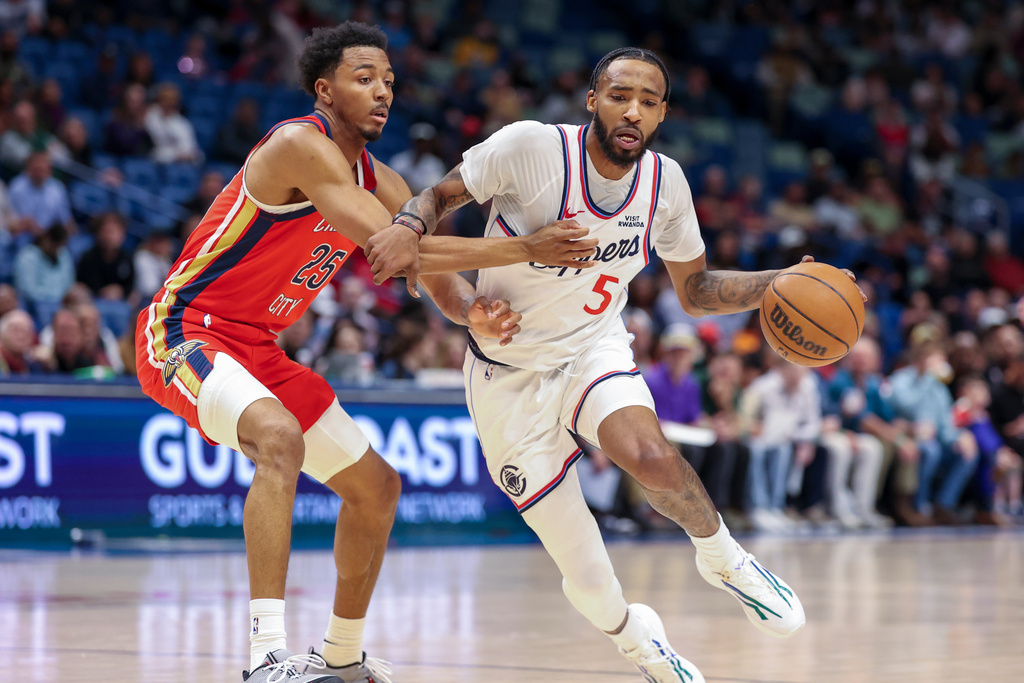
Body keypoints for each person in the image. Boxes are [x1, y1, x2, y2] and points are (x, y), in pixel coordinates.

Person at [135, 21, 597, 683]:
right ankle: (266, 655)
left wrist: (474, 312)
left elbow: (431, 275)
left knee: (377, 487)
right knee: (280, 437)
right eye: (363, 78)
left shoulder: (383, 178)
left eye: (388, 80)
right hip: (184, 329)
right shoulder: (299, 145)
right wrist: (528, 247)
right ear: (324, 89)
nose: (382, 92)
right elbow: (398, 246)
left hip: (256, 346)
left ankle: (342, 654)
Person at [385, 47, 856, 682]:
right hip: (505, 374)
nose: (633, 110)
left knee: (655, 457)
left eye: (649, 101)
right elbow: (437, 200)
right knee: (587, 577)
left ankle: (724, 558)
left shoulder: (667, 185)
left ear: (662, 113)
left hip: (590, 347)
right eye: (619, 95)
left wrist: (783, 280)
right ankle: (640, 644)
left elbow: (696, 292)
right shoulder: (529, 148)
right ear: (593, 101)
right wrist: (462, 296)